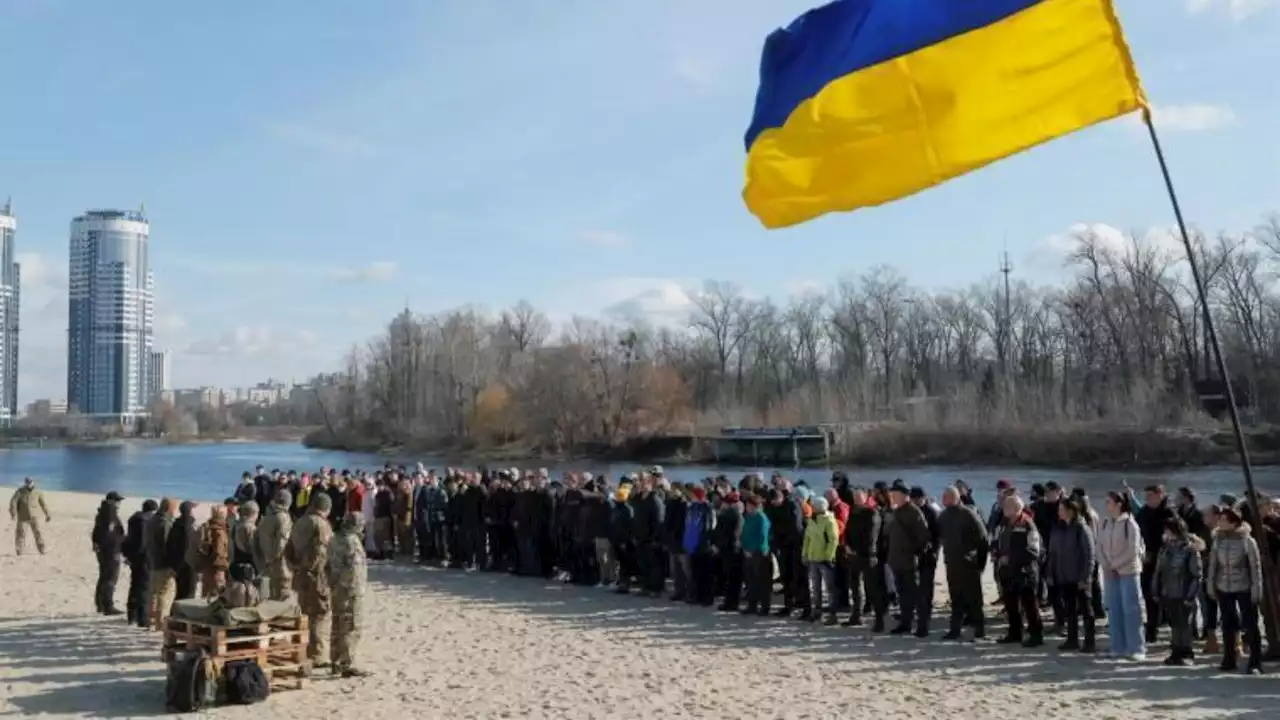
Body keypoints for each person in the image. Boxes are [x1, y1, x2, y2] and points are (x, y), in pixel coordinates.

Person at [1207, 507, 1265, 674]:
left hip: (1244, 585)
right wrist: (1211, 584)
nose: (1220, 522)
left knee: (1251, 624)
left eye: (1224, 520)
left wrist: (1256, 588)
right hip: (1224, 585)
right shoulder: (1217, 539)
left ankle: (1255, 662)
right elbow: (1213, 565)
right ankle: (1229, 659)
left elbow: (1255, 567)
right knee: (1227, 624)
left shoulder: (1247, 540)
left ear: (1233, 522)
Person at [1096, 490, 1146, 660]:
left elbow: (1133, 550)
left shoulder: (1130, 523)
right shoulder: (1104, 522)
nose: (1106, 505)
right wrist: (1105, 564)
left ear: (1119, 504)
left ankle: (1136, 647)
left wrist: (1115, 565)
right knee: (1114, 609)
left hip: (1128, 571)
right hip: (1110, 572)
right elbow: (1099, 545)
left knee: (1131, 609)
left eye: (1109, 502)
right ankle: (1117, 646)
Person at [289, 492, 335, 668]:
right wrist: (319, 569)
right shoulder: (321, 525)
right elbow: (322, 552)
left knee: (305, 612)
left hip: (300, 574)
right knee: (320, 613)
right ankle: (317, 655)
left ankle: (303, 649)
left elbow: (289, 549)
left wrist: (297, 566)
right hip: (316, 575)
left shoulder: (300, 521)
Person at [1151, 516, 1204, 666]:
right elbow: (1158, 572)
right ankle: (1175, 651)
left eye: (1168, 530)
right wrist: (1156, 590)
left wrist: (1191, 595)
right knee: (1174, 623)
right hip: (1169, 592)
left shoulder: (1190, 550)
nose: (1165, 533)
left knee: (1185, 624)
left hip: (1184, 592)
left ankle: (1186, 651)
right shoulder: (1165, 549)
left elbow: (1197, 575)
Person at [938, 486, 988, 641]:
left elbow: (983, 539)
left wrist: (980, 563)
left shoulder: (968, 514)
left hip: (969, 564)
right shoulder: (944, 515)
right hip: (952, 563)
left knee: (974, 600)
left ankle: (979, 630)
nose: (943, 500)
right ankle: (955, 629)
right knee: (956, 599)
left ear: (956, 497)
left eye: (946, 497)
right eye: (943, 497)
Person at [1046, 498, 1096, 653]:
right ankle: (1072, 639)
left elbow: (1089, 556)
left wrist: (1085, 577)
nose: (1059, 512)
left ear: (1071, 510)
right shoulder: (1058, 528)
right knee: (1070, 609)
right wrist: (1050, 572)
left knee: (1086, 610)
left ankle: (1090, 642)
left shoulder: (1081, 528)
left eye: (1062, 509)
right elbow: (1052, 553)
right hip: (1064, 575)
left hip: (1079, 576)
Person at [328, 513, 372, 678]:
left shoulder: (335, 539)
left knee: (337, 624)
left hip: (337, 589)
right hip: (350, 591)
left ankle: (335, 660)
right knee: (351, 626)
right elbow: (352, 570)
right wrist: (351, 588)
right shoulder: (350, 543)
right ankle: (347, 663)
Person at [885, 480, 929, 636]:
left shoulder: (914, 512)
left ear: (904, 495)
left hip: (909, 561)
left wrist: (912, 552)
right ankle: (905, 623)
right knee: (903, 595)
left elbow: (923, 537)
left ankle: (922, 626)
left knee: (916, 595)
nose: (893, 497)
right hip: (896, 560)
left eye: (895, 494)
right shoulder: (896, 511)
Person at [842, 486, 883, 629]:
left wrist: (858, 550)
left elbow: (871, 537)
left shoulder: (872, 513)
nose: (856, 499)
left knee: (872, 588)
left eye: (859, 496)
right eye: (855, 496)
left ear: (866, 497)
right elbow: (847, 530)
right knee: (855, 587)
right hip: (853, 555)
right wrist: (847, 546)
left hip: (867, 555)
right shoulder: (853, 511)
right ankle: (856, 615)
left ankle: (879, 620)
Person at [802, 496, 839, 625]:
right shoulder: (812, 521)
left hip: (824, 560)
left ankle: (833, 614)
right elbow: (807, 538)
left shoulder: (829, 521)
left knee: (830, 588)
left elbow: (833, 540)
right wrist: (805, 554)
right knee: (815, 587)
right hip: (813, 558)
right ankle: (816, 612)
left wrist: (828, 557)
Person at [123, 499, 158, 627]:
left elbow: (128, 540)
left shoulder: (134, 520)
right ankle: (142, 618)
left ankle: (131, 615)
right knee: (143, 588)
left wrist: (128, 556)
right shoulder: (146, 522)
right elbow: (143, 543)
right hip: (143, 559)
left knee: (135, 586)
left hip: (134, 558)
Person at [144, 498, 178, 631]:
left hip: (152, 559)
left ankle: (150, 620)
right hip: (162, 562)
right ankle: (159, 622)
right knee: (163, 593)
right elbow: (166, 545)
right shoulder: (164, 523)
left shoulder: (152, 520)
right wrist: (172, 563)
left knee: (153, 592)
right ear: (169, 508)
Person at [91, 491, 126, 615]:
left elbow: (97, 532)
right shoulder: (110, 513)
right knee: (110, 578)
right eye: (118, 501)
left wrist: (97, 544)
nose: (119, 503)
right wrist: (115, 548)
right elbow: (109, 534)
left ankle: (100, 603)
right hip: (110, 551)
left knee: (104, 577)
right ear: (112, 501)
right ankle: (107, 605)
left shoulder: (102, 512)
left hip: (104, 550)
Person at [255, 490, 294, 600]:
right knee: (283, 591)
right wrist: (275, 557)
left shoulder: (267, 515)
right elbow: (282, 541)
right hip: (279, 562)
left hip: (266, 557)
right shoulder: (283, 517)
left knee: (270, 592)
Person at [740, 494, 772, 616]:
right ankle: (752, 604)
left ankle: (765, 607)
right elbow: (744, 533)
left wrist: (754, 549)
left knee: (762, 580)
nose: (747, 507)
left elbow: (762, 537)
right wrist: (744, 547)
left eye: (748, 505)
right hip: (748, 551)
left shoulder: (761, 518)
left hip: (759, 552)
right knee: (750, 580)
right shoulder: (748, 517)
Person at [9, 477, 51, 555]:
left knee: (38, 533)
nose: (29, 484)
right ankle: (19, 550)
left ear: (33, 482)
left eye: (31, 482)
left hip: (34, 517)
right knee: (20, 534)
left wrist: (47, 514)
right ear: (25, 483)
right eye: (27, 482)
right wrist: (13, 513)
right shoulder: (20, 491)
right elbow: (13, 502)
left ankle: (42, 549)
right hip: (23, 517)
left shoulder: (38, 492)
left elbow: (43, 504)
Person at [169, 501, 198, 600]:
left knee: (180, 590)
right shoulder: (188, 526)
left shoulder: (176, 524)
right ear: (190, 511)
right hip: (187, 564)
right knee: (189, 592)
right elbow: (188, 545)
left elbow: (170, 544)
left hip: (177, 563)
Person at [232, 501, 259, 571]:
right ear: (253, 513)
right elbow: (254, 547)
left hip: (237, 560)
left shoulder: (237, 524)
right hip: (248, 564)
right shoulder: (250, 527)